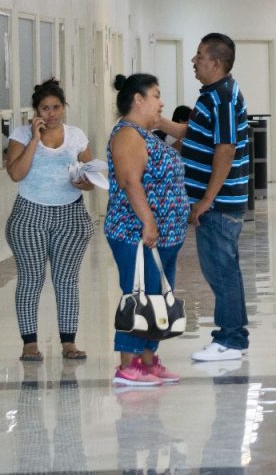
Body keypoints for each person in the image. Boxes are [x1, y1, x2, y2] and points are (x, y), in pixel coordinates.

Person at [157, 32, 251, 362]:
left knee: (222, 271)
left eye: (199, 56)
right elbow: (194, 133)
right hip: (214, 202)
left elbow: (225, 149)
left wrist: (206, 200)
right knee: (223, 270)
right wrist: (157, 122)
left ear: (215, 62)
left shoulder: (222, 97)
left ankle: (230, 340)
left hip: (219, 204)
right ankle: (233, 336)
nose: (193, 61)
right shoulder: (210, 95)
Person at [106, 73, 189, 386]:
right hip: (135, 232)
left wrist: (159, 119)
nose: (161, 102)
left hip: (163, 236)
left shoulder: (145, 132)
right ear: (138, 100)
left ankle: (149, 360)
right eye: (156, 95)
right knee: (139, 295)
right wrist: (148, 222)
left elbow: (188, 132)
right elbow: (130, 181)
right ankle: (128, 365)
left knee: (157, 297)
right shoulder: (127, 135)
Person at [4, 78, 95, 362]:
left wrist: (83, 182)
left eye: (56, 107)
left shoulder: (77, 136)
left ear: (63, 107)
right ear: (36, 111)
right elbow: (16, 173)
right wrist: (35, 139)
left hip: (71, 215)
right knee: (31, 279)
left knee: (66, 280)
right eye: (45, 108)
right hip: (30, 214)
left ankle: (69, 342)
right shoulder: (20, 135)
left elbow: (91, 179)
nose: (51, 113)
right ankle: (29, 343)